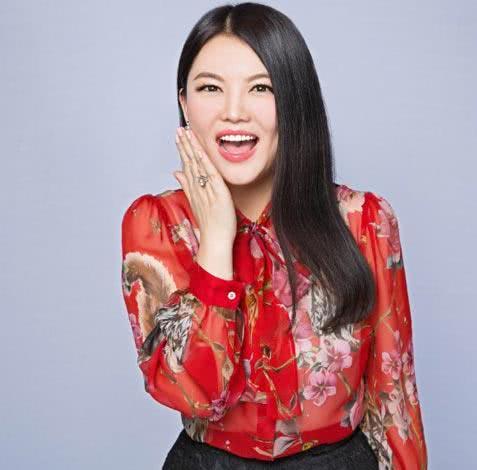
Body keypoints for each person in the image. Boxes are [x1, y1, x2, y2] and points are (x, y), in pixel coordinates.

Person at [120, 3, 428, 469]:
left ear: (294, 100)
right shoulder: (157, 224)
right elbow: (198, 396)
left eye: (261, 88)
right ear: (185, 104)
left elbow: (395, 399)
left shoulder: (364, 221)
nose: (234, 112)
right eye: (210, 88)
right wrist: (217, 239)